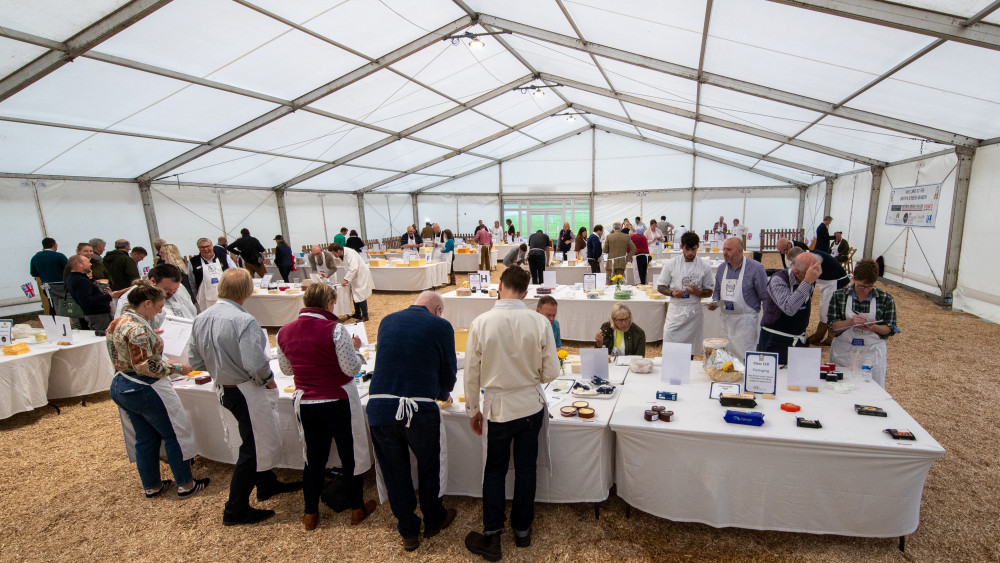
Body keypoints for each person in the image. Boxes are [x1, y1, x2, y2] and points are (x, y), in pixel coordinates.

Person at [188, 268, 301, 526]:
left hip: (224, 386)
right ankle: (235, 507)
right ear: (247, 291)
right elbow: (254, 362)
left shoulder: (201, 317)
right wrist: (267, 380)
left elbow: (195, 359)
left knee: (251, 438)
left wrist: (220, 366)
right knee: (254, 445)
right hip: (245, 388)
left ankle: (266, 483)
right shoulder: (244, 320)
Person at [464, 267, 559, 560]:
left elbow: (471, 372)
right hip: (530, 405)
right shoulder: (539, 321)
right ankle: (522, 531)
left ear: (500, 286)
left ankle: (492, 534)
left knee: (495, 469)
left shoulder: (482, 322)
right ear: (526, 293)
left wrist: (472, 409)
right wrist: (529, 377)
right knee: (526, 467)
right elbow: (552, 370)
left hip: (498, 408)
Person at [276, 283, 375, 531]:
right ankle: (356, 508)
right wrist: (354, 349)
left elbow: (286, 370)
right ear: (328, 303)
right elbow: (351, 369)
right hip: (336, 398)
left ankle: (310, 513)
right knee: (348, 455)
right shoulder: (335, 330)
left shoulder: (284, 332)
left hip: (307, 401)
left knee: (313, 458)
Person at [367, 292, 457, 550]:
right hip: (419, 407)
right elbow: (448, 371)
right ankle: (433, 519)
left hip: (381, 406)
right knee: (429, 466)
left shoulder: (387, 320)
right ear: (438, 309)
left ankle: (408, 530)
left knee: (395, 472)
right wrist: (442, 393)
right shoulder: (441, 325)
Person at [107, 281, 209, 499]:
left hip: (121, 384)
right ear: (146, 304)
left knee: (144, 437)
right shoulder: (139, 330)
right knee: (173, 434)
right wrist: (176, 367)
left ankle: (151, 485)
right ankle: (186, 483)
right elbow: (146, 366)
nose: (160, 311)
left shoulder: (117, 323)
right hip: (144, 387)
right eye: (158, 306)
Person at [827, 259, 899, 387]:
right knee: (839, 388)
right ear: (853, 278)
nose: (866, 290)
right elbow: (832, 326)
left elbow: (890, 328)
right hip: (844, 351)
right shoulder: (839, 296)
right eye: (861, 286)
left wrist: (874, 327)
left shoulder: (885, 299)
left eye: (870, 286)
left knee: (872, 390)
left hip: (872, 352)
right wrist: (850, 322)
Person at [707, 238, 769, 360]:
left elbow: (765, 296)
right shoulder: (721, 269)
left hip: (745, 322)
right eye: (724, 249)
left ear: (740, 251)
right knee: (725, 356)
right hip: (725, 321)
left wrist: (766, 323)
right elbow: (717, 291)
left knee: (744, 357)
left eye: (728, 249)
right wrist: (715, 301)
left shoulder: (756, 268)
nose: (724, 252)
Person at [757, 251, 821, 364]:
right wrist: (807, 282)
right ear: (797, 272)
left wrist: (808, 281)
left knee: (797, 380)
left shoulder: (808, 279)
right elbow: (789, 308)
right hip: (775, 341)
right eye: (811, 272)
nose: (816, 276)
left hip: (797, 339)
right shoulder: (778, 280)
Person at [657, 232, 714, 356]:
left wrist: (698, 292)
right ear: (682, 247)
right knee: (670, 343)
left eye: (693, 249)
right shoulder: (671, 264)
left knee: (689, 350)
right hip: (676, 311)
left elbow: (709, 291)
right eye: (687, 249)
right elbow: (661, 287)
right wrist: (672, 292)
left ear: (697, 247)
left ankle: (688, 370)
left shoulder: (704, 266)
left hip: (694, 312)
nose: (690, 253)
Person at [788, 247, 849, 346]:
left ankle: (830, 337)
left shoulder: (815, 258)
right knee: (823, 308)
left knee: (828, 309)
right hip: (827, 282)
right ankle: (820, 335)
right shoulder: (808, 257)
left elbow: (810, 278)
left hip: (836, 281)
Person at [115, 264, 196, 325]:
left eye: (175, 290)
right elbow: (124, 327)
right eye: (167, 290)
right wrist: (149, 334)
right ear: (153, 281)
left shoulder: (178, 288)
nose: (171, 293)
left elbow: (191, 311)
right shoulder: (133, 297)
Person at [66, 254, 115, 330]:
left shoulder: (73, 278)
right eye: (88, 262)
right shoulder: (81, 280)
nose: (90, 264)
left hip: (93, 314)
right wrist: (109, 296)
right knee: (103, 337)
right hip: (98, 315)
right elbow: (87, 301)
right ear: (80, 265)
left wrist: (101, 292)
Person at [330, 243, 373, 321]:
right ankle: (357, 313)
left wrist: (346, 279)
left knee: (361, 294)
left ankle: (365, 316)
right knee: (354, 293)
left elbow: (354, 268)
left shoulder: (350, 253)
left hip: (361, 275)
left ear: (338, 251)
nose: (334, 255)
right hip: (354, 276)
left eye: (334, 253)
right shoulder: (342, 254)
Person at [188, 237, 230, 311]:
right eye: (202, 247)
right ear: (199, 248)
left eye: (207, 246)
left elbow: (235, 273)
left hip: (226, 296)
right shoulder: (193, 262)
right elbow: (192, 282)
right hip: (205, 300)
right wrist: (196, 297)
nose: (206, 249)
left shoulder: (224, 257)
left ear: (212, 246)